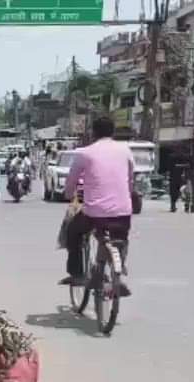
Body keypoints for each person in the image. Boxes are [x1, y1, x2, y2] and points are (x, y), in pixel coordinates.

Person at [60, 116, 134, 294]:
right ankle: (119, 270)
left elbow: (71, 181)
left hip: (95, 213)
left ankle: (77, 273)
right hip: (123, 211)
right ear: (113, 132)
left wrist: (69, 195)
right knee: (120, 239)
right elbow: (130, 180)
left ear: (93, 133)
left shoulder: (85, 153)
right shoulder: (126, 150)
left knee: (73, 231)